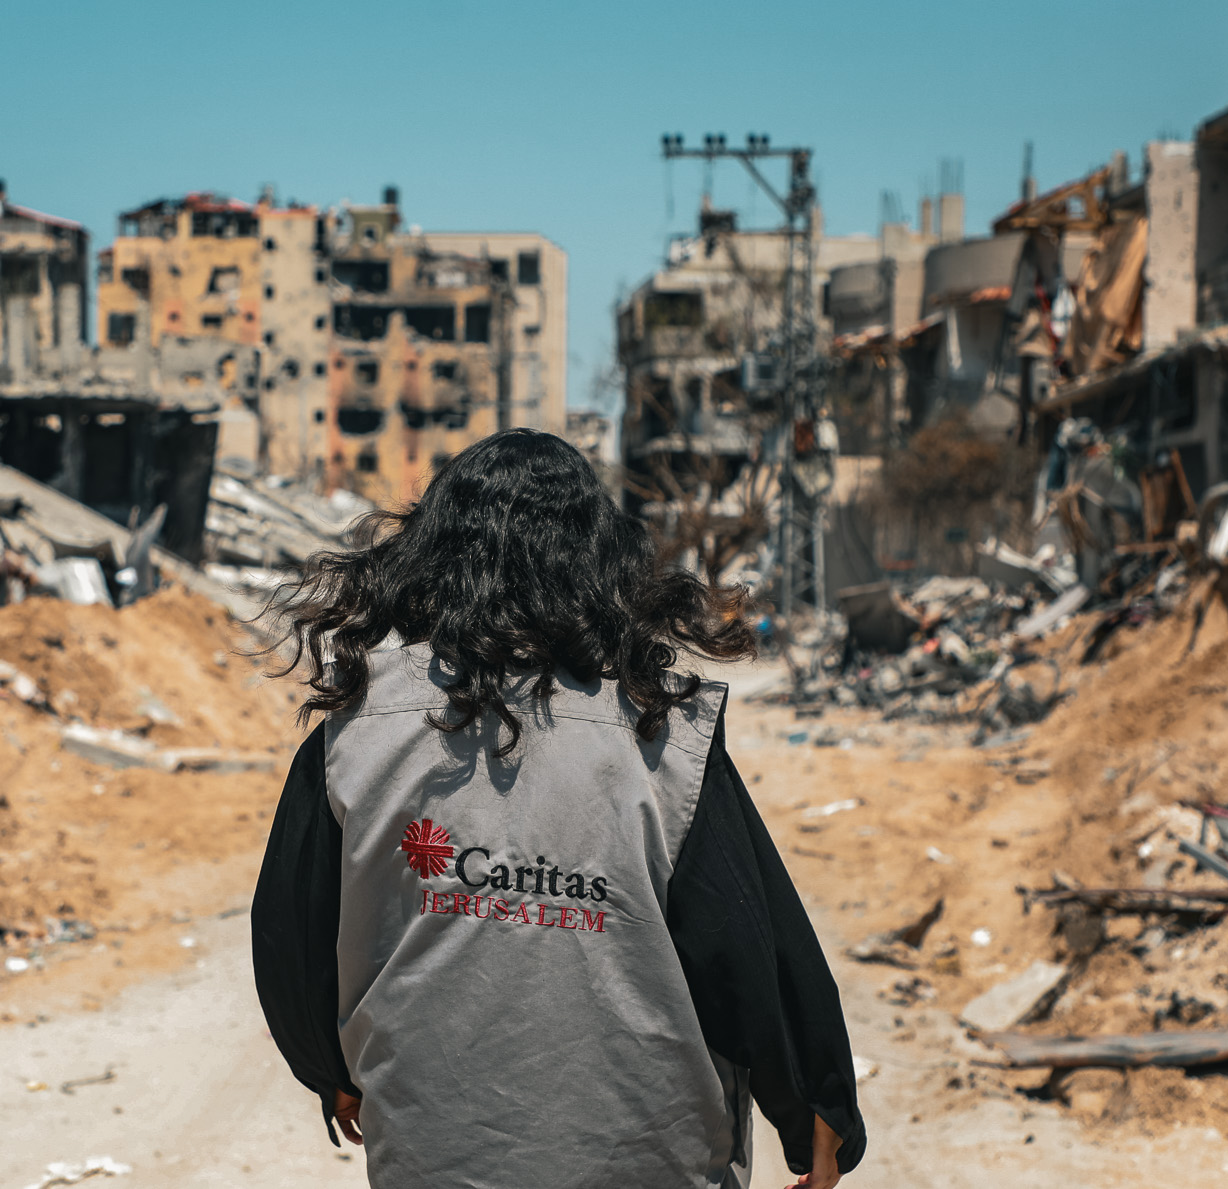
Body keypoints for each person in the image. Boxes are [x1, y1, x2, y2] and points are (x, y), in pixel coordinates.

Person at [252, 429, 864, 1187]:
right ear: (598, 562)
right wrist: (813, 1104)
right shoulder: (660, 732)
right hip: (648, 1158)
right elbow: (746, 944)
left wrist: (329, 1069)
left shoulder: (354, 731)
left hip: (432, 1156)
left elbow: (290, 935)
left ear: (431, 556)